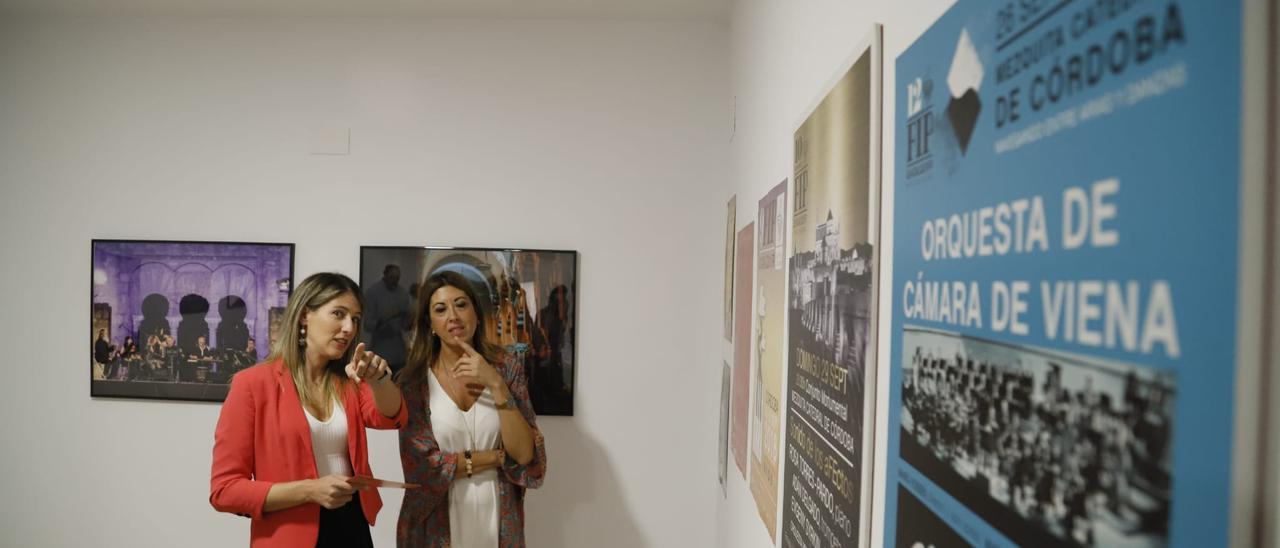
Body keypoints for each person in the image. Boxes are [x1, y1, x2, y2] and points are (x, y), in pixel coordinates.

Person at [210, 272, 408, 548]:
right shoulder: (253, 384)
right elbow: (225, 490)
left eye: (355, 319)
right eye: (338, 313)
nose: (349, 328)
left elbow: (391, 417)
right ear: (305, 315)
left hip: (352, 526)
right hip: (289, 533)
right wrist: (310, 490)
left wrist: (380, 380)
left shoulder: (349, 382)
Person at [396, 271, 547, 548]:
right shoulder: (413, 381)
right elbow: (422, 466)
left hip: (497, 511)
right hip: (435, 518)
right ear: (430, 323)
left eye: (461, 304)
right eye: (441, 309)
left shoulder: (506, 368)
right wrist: (497, 457)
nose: (453, 315)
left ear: (476, 314)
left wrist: (497, 384)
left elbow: (525, 454)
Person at [363, 264, 412, 374]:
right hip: (379, 351)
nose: (394, 281)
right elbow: (367, 325)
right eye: (392, 278)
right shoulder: (372, 292)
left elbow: (406, 327)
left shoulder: (402, 293)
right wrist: (385, 317)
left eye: (397, 278)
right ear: (384, 275)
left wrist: (408, 318)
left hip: (399, 353)